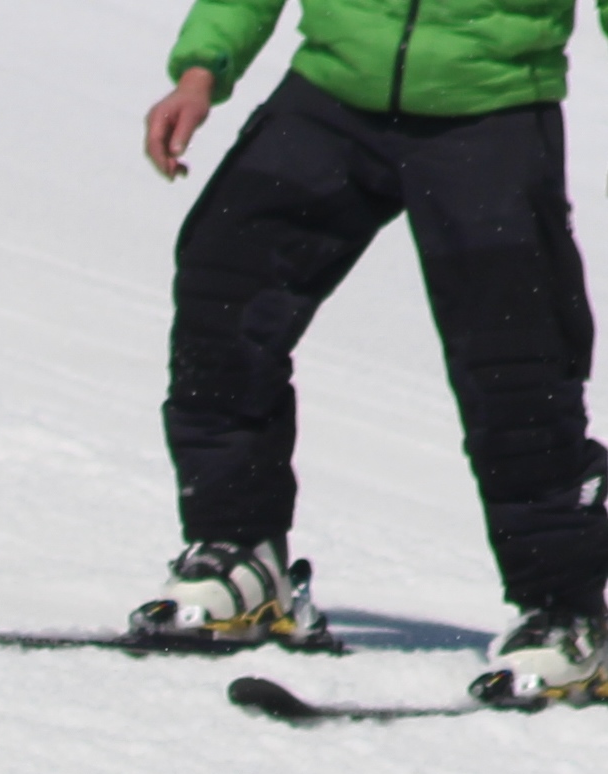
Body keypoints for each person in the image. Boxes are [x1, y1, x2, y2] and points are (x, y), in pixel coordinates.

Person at [141, 0, 608, 699]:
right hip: (329, 98)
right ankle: (239, 558)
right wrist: (201, 69)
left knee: (516, 369)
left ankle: (566, 616)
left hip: (491, 113)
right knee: (225, 295)